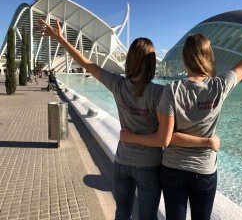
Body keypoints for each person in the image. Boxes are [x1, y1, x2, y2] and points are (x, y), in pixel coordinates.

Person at [120, 0, 242, 220]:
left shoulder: (172, 90)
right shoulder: (220, 86)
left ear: (185, 59)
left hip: (172, 169)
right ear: (209, 57)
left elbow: (167, 138)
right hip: (204, 171)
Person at [37, 19, 221, 220]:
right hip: (149, 165)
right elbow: (169, 134)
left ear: (130, 60)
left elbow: (87, 64)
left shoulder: (117, 85)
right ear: (151, 64)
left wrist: (61, 38)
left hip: (123, 160)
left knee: (122, 212)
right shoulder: (160, 93)